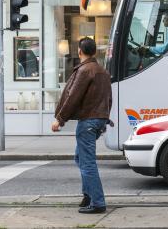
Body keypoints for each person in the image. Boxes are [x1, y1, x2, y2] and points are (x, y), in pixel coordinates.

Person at [52, 37, 112, 214]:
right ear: (94, 51)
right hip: (98, 119)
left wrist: (60, 119)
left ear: (80, 51)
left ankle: (98, 202)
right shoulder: (102, 71)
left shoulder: (85, 70)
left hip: (88, 121)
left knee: (87, 163)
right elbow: (109, 98)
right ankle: (88, 195)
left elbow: (73, 97)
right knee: (80, 158)